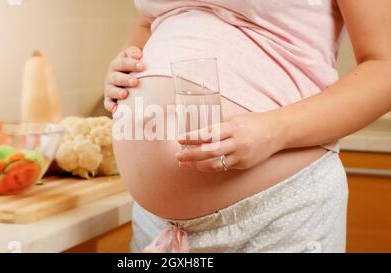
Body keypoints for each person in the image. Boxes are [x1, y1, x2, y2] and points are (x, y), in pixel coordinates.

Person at [104, 0, 391, 253]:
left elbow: (385, 69)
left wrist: (274, 130)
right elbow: (151, 20)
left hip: (278, 216)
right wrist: (125, 62)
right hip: (158, 225)